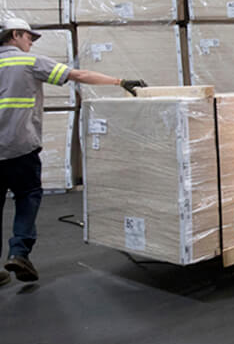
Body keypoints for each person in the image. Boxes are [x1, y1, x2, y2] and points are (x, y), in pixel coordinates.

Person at [0, 17, 147, 286]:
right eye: (29, 37)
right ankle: (19, 253)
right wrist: (120, 81)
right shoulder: (29, 62)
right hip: (20, 147)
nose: (31, 42)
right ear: (16, 34)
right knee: (28, 196)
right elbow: (78, 75)